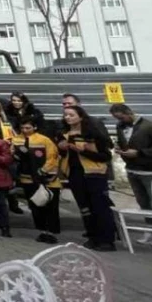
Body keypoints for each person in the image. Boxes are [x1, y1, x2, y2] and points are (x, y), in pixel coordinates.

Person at [110, 102, 152, 247]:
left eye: (121, 117)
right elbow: (123, 142)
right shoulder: (120, 127)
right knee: (143, 203)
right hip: (132, 170)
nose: (120, 121)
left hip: (150, 171)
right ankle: (151, 230)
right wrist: (120, 148)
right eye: (117, 118)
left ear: (129, 113)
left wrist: (140, 152)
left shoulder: (151, 127)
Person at [59, 103, 116, 251]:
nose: (68, 118)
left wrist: (81, 151)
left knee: (100, 206)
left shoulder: (92, 134)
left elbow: (105, 156)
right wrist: (63, 149)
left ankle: (106, 240)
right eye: (66, 115)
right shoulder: (64, 134)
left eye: (71, 115)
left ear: (81, 116)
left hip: (94, 173)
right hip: (74, 173)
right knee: (84, 207)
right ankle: (92, 236)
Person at [13, 117, 61, 244]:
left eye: (28, 127)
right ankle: (42, 231)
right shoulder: (17, 139)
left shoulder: (44, 140)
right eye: (22, 128)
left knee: (50, 207)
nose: (25, 130)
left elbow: (53, 157)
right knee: (35, 205)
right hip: (27, 179)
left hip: (48, 179)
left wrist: (43, 171)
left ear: (34, 127)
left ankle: (51, 232)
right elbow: (13, 155)